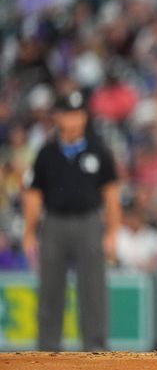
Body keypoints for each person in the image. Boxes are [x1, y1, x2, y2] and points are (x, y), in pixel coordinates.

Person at [22, 91, 120, 351]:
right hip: (54, 223)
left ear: (85, 117)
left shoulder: (98, 151)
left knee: (93, 289)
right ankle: (47, 349)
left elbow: (111, 195)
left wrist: (111, 233)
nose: (74, 120)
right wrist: (29, 232)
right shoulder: (47, 153)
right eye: (68, 114)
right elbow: (34, 195)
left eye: (79, 114)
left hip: (89, 223)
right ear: (58, 117)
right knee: (50, 289)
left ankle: (95, 348)